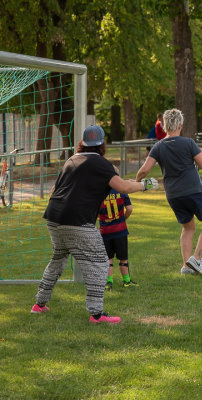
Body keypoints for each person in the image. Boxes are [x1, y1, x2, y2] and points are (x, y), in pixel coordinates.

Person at [30, 125, 159, 324]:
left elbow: (55, 189)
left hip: (54, 217)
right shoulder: (100, 163)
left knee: (58, 259)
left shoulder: (71, 160)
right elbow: (123, 186)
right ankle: (97, 314)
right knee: (100, 262)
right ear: (102, 144)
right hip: (77, 221)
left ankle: (39, 304)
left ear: (83, 143)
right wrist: (145, 185)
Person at [136, 108, 202, 276]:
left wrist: (136, 182)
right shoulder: (188, 143)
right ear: (180, 125)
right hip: (194, 190)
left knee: (188, 228)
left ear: (165, 126)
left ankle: (186, 266)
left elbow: (144, 170)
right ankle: (197, 258)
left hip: (174, 194)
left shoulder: (158, 146)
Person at [98, 178, 137, 290]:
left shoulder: (99, 193)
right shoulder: (122, 191)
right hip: (120, 230)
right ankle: (126, 281)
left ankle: (108, 283)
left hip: (105, 232)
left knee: (108, 258)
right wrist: (123, 218)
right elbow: (129, 209)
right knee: (123, 258)